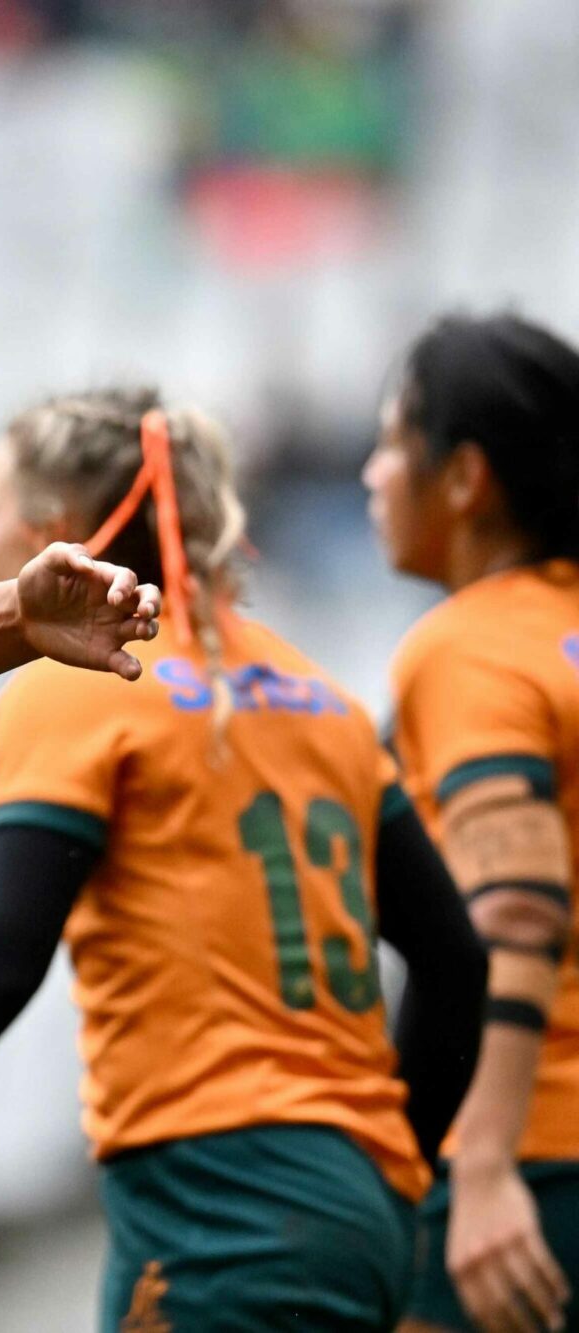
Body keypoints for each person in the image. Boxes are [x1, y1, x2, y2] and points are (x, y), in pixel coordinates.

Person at [0, 386, 487, 1331]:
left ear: (54, 532)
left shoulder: (82, 683)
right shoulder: (324, 697)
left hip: (218, 1200)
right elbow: (458, 963)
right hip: (359, 1205)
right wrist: (397, 1159)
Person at [369, 314, 579, 1333]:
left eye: (391, 442)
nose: (371, 474)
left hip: (530, 1157)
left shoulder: (466, 647)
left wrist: (483, 1161)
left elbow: (518, 907)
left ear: (463, 480)